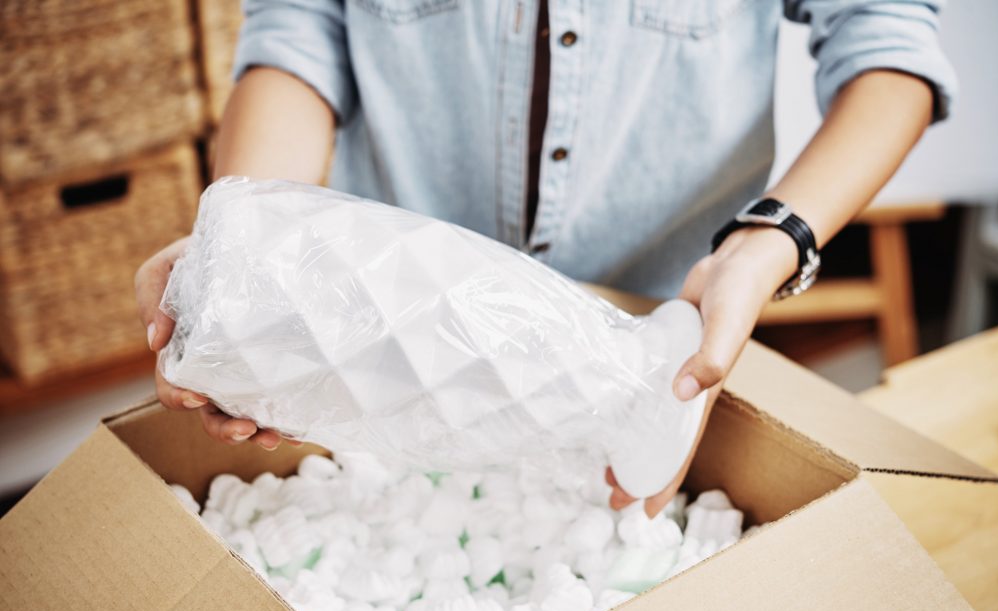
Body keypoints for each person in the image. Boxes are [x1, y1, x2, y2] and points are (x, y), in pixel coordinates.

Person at [135, 0, 954, 516]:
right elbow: (297, 34)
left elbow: (891, 45)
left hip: (659, 348)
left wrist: (769, 239)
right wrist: (255, 256)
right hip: (383, 355)